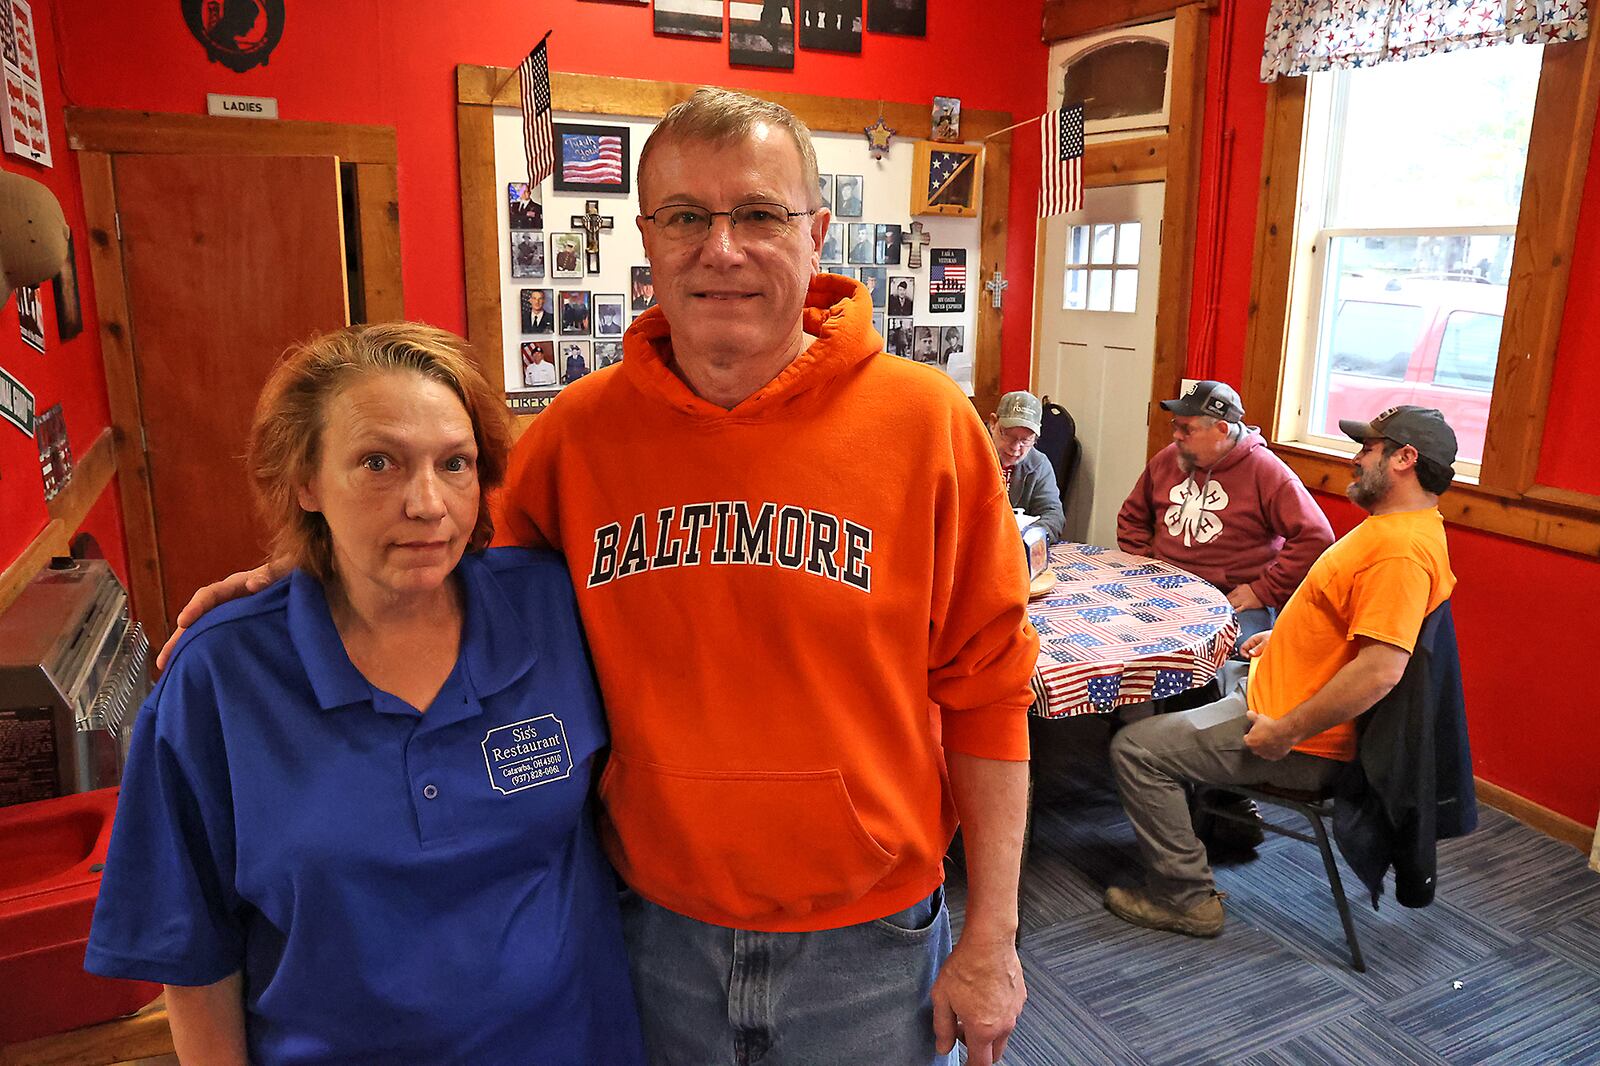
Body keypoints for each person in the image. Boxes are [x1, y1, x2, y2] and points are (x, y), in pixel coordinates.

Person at [163, 88, 1037, 1066]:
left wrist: (993, 937)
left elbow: (991, 690)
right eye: (685, 217)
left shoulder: (927, 424)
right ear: (647, 238)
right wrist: (303, 563)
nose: (722, 248)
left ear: (818, 230)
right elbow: (439, 545)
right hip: (647, 926)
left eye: (758, 213)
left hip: (865, 941)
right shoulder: (577, 434)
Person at [89, 323, 646, 1065]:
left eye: (455, 464)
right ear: (306, 482)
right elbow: (190, 949)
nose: (426, 503)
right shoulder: (220, 679)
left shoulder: (556, 610)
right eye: (378, 463)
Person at [1103, 406, 1458, 937]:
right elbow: (1350, 630)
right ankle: (1229, 818)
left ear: (1406, 459)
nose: (1356, 459)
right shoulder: (1399, 530)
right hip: (1270, 691)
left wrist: (1285, 732)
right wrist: (1286, 637)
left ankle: (1185, 897)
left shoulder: (1398, 553)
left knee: (1134, 750)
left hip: (1297, 737)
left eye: (1368, 449)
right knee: (1194, 687)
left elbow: (1381, 671)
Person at [1116, 380, 1333, 650]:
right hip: (1162, 584)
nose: (1176, 436)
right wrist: (1147, 565)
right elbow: (1131, 517)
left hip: (1230, 595)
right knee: (1114, 633)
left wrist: (1263, 590)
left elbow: (1316, 536)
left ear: (1220, 430)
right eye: (1175, 425)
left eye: (1187, 429)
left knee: (1234, 653)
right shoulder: (1168, 458)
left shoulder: (1267, 472)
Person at [987, 391, 1065, 541]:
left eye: (1026, 440)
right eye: (1009, 436)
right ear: (993, 423)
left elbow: (1053, 514)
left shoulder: (1039, 465)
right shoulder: (970, 453)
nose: (1016, 447)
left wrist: (1029, 537)